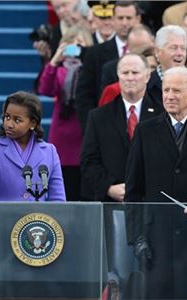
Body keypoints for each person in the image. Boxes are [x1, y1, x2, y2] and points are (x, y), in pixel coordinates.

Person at [125, 66, 187, 299]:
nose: (170, 96)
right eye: (166, 90)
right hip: (155, 239)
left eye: (177, 91)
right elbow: (133, 190)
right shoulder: (145, 131)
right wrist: (137, 238)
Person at [81, 53, 162, 202]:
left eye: (135, 72)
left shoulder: (161, 115)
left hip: (152, 203)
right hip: (112, 203)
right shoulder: (98, 117)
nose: (130, 77)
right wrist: (108, 187)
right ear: (118, 76)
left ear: (147, 76)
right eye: (125, 73)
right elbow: (89, 161)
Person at [0, 91, 66, 201]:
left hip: (37, 218)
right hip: (2, 218)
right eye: (7, 117)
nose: (9, 124)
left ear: (33, 123)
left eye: (17, 120)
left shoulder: (49, 152)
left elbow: (58, 199)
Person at [37, 25, 92, 201]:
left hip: (84, 130)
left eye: (80, 44)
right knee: (63, 182)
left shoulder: (92, 70)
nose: (76, 48)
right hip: (62, 132)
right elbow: (45, 89)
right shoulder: (60, 70)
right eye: (71, 44)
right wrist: (54, 60)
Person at [75, 1, 141, 133]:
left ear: (138, 19)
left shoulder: (147, 50)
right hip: (107, 129)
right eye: (120, 18)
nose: (124, 23)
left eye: (128, 18)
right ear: (113, 20)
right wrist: (92, 129)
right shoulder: (95, 53)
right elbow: (84, 96)